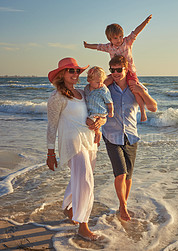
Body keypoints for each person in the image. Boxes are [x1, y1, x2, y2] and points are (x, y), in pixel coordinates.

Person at [46, 57, 105, 241]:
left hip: (89, 140)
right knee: (86, 180)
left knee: (80, 177)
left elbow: (96, 110)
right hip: (72, 141)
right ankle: (83, 226)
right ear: (62, 74)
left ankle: (68, 207)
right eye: (70, 70)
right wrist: (50, 152)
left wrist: (99, 124)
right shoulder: (57, 97)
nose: (75, 74)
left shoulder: (82, 92)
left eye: (77, 70)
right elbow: (51, 126)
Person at [102, 55, 157, 221]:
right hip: (111, 135)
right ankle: (123, 206)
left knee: (128, 176)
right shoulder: (107, 88)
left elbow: (153, 107)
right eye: (113, 70)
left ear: (126, 69)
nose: (116, 73)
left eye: (119, 70)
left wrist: (141, 91)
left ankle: (122, 204)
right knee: (120, 174)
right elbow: (89, 92)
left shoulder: (135, 87)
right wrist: (105, 82)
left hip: (131, 136)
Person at [83, 14, 152, 122]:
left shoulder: (127, 42)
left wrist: (145, 22)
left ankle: (143, 112)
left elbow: (136, 31)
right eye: (115, 38)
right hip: (116, 71)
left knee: (135, 89)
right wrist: (87, 46)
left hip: (129, 72)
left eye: (120, 36)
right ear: (110, 39)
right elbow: (98, 46)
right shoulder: (109, 47)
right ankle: (95, 106)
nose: (119, 40)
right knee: (103, 83)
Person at [84, 66, 114, 144]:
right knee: (90, 125)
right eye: (97, 82)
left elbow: (109, 101)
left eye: (102, 81)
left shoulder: (103, 89)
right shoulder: (86, 88)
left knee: (90, 122)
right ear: (89, 80)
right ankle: (96, 140)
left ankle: (98, 133)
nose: (100, 84)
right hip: (91, 112)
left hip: (99, 112)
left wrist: (111, 111)